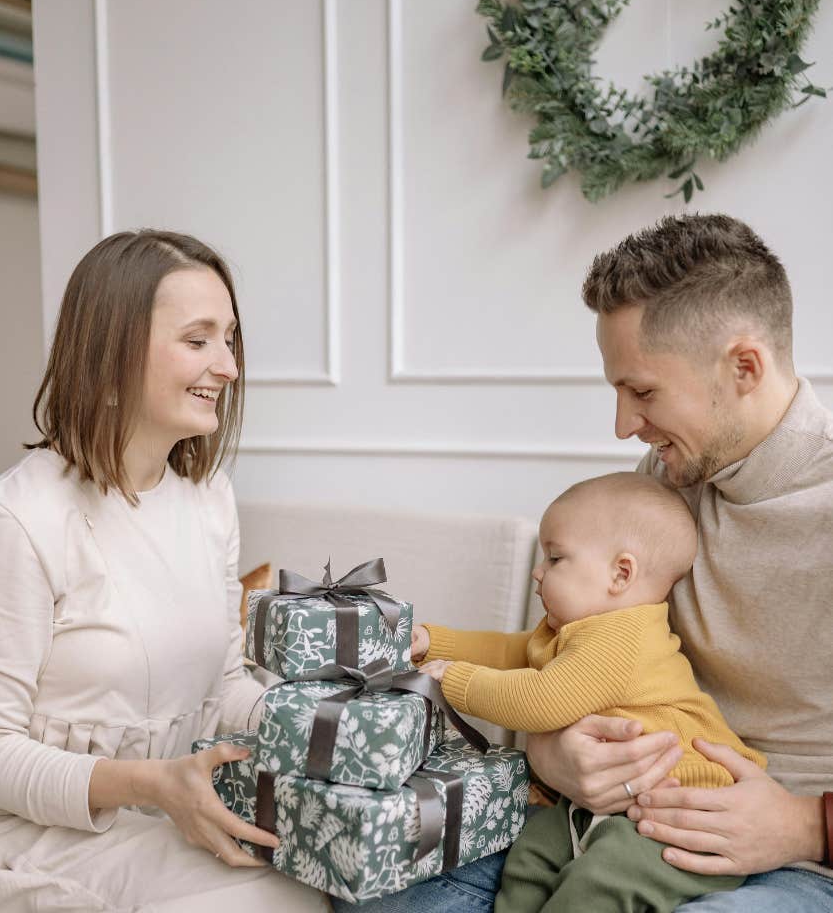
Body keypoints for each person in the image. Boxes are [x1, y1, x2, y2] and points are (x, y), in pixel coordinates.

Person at [339, 214, 833, 912]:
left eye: (644, 391)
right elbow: (571, 663)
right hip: (609, 820)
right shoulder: (661, 481)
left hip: (792, 866)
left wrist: (809, 826)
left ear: (744, 367)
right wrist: (554, 754)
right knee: (378, 880)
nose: (623, 424)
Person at [0, 231, 329, 912]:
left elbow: (224, 685)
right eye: (198, 340)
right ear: (109, 354)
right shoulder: (17, 519)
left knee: (304, 888)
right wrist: (150, 784)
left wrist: (334, 720)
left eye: (230, 339)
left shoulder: (208, 502)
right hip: (31, 836)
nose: (228, 366)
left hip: (163, 818)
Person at [413, 471, 764, 912]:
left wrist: (457, 680)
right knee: (531, 853)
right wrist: (434, 643)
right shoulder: (578, 631)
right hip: (613, 807)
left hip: (691, 815)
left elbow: (541, 700)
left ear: (621, 573)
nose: (538, 574)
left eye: (556, 559)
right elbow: (512, 650)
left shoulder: (623, 638)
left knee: (603, 880)